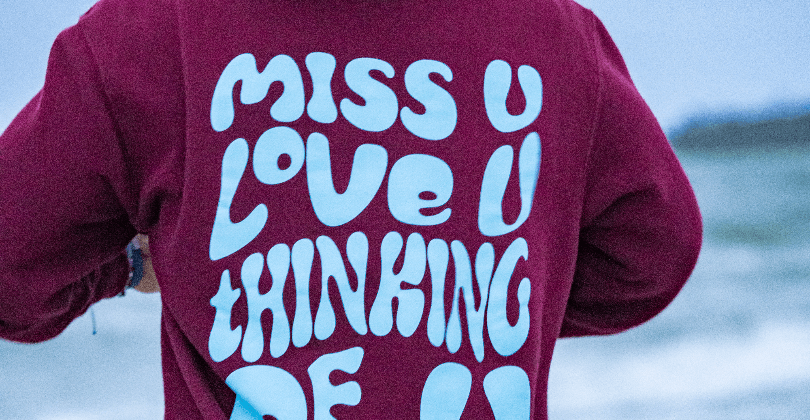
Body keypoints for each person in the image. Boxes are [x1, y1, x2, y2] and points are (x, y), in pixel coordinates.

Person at [0, 0, 702, 418]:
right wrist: (491, 306)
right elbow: (655, 250)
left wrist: (136, 267)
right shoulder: (550, 34)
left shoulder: (151, 32)